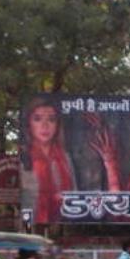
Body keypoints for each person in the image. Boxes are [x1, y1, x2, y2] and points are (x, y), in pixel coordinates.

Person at [21, 96, 76, 224]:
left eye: (51, 120)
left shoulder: (65, 158)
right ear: (29, 123)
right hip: (30, 223)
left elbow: (75, 196)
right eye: (37, 119)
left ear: (57, 125)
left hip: (64, 222)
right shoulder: (23, 158)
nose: (44, 126)